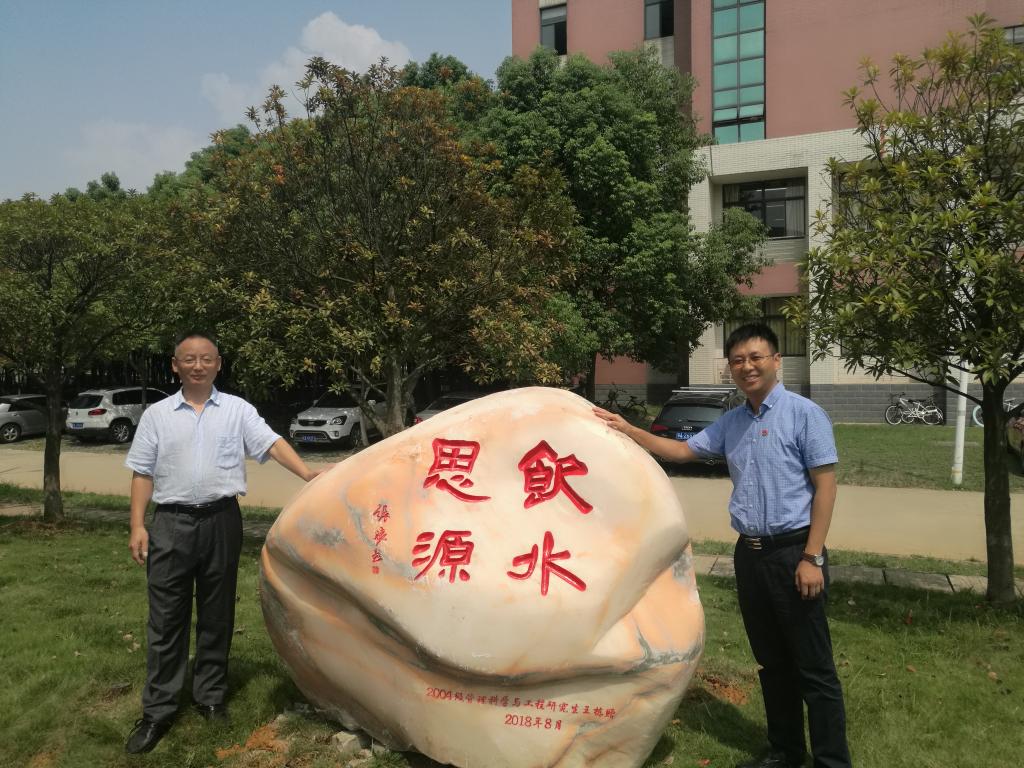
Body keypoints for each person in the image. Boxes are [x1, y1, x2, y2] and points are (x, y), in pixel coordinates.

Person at [594, 323, 851, 768]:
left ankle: (832, 761)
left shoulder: (805, 415)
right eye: (737, 360)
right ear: (730, 368)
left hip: (794, 552)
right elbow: (680, 452)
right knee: (772, 663)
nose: (747, 366)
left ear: (776, 360)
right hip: (750, 556)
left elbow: (825, 488)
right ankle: (786, 752)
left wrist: (812, 556)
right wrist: (628, 429)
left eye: (756, 357)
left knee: (814, 668)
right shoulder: (732, 422)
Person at [124, 332, 322, 754]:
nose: (197, 365)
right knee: (166, 620)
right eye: (189, 359)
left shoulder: (237, 410)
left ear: (218, 363)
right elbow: (142, 471)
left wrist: (307, 473)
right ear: (175, 365)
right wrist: (137, 525)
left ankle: (210, 696)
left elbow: (271, 443)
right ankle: (158, 710)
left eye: (206, 358)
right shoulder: (157, 416)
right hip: (171, 523)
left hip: (222, 521)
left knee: (217, 614)